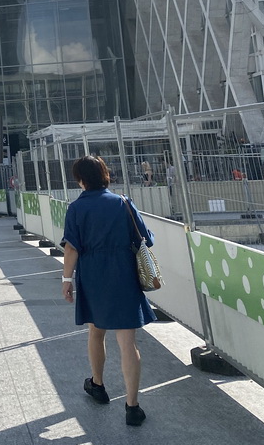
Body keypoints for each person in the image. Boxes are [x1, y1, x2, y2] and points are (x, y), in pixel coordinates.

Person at [61, 155, 155, 428]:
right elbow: (145, 238)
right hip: (124, 273)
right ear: (104, 175)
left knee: (96, 331)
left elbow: (71, 248)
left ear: (80, 179)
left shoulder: (76, 208)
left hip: (93, 275)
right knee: (128, 342)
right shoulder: (123, 202)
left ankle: (98, 385)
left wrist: (67, 280)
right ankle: (133, 406)